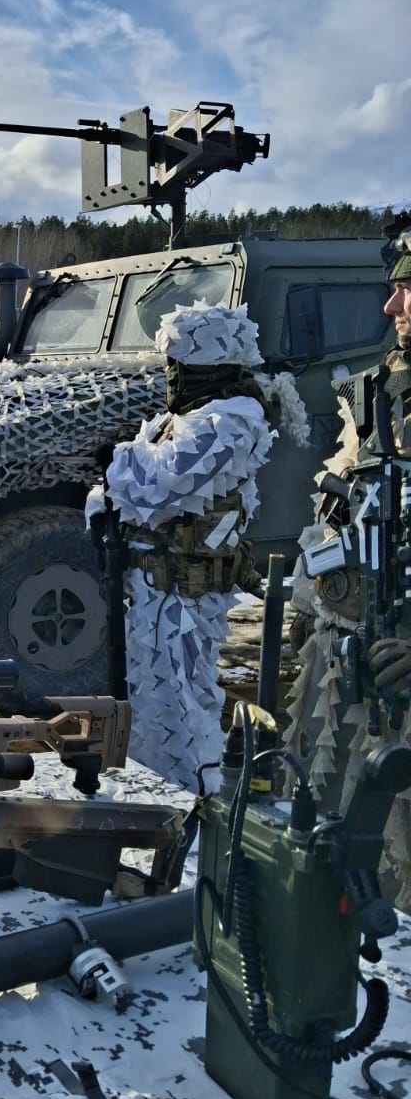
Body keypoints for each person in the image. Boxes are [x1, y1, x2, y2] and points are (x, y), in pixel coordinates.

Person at [86, 302, 293, 792]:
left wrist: (116, 464)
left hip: (182, 597)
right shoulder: (180, 419)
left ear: (209, 365)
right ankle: (161, 803)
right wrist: (102, 503)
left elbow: (164, 480)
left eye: (179, 366)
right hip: (150, 594)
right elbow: (124, 486)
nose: (170, 377)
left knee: (176, 713)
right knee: (150, 709)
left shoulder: (234, 420)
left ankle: (192, 809)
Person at [285, 236, 411, 908]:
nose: (392, 305)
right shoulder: (378, 393)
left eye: (408, 290)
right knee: (314, 857)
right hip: (341, 673)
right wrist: (309, 616)